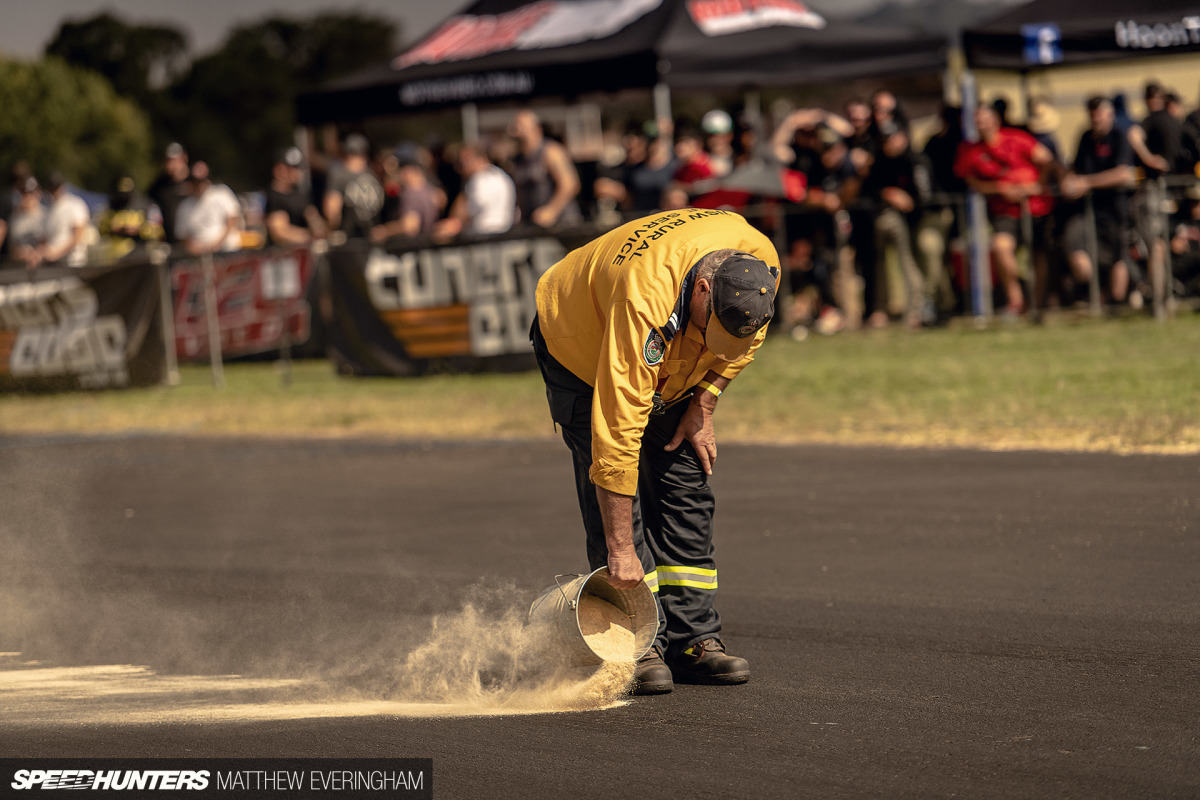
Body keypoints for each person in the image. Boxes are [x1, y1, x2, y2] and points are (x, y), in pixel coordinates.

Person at [531, 208, 779, 695]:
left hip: (679, 349)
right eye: (717, 330)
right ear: (704, 291)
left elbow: (748, 338)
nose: (723, 344)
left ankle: (694, 639)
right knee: (618, 503)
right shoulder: (644, 298)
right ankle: (639, 642)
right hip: (581, 340)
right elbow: (617, 433)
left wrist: (705, 402)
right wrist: (620, 550)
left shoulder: (760, 266)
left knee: (685, 484)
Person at [954, 104, 1056, 316]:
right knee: (1000, 246)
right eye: (977, 119)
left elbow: (1045, 158)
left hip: (1036, 206)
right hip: (1004, 210)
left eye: (984, 118)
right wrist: (1000, 188)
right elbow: (973, 183)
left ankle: (1037, 302)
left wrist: (1038, 183)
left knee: (1038, 252)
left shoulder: (1016, 138)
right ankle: (1016, 301)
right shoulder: (971, 151)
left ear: (995, 120)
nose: (980, 123)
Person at [1060, 97, 1137, 305]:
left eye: (1099, 113)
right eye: (1092, 114)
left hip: (1115, 209)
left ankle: (1117, 303)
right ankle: (1096, 294)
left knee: (1117, 258)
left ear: (1109, 114)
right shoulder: (1086, 138)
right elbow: (1076, 168)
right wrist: (1069, 180)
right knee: (1075, 247)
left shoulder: (1120, 137)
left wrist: (1087, 183)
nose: (1095, 118)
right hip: (1087, 210)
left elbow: (1124, 174)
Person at [509, 109, 581, 228]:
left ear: (537, 128)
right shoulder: (517, 159)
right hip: (532, 224)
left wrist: (551, 211)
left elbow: (570, 185)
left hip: (562, 223)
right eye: (515, 125)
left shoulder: (551, 151)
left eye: (521, 125)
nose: (517, 129)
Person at [434, 143, 515, 240]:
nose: (460, 168)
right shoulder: (501, 175)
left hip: (483, 240)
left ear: (479, 158)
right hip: (505, 236)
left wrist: (451, 225)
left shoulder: (478, 180)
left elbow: (467, 213)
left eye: (464, 161)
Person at [371, 146, 442, 242]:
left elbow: (410, 226)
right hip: (427, 245)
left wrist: (384, 231)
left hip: (412, 248)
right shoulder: (430, 189)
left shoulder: (411, 193)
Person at [323, 133, 384, 240]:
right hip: (373, 239)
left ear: (345, 153)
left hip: (348, 242)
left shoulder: (339, 176)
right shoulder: (373, 175)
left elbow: (332, 212)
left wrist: (328, 232)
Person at [176, 161, 243, 255]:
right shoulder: (185, 206)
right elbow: (182, 235)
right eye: (197, 182)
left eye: (202, 181)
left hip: (227, 251)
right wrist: (193, 247)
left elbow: (233, 219)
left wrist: (218, 244)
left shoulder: (221, 194)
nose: (200, 185)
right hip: (200, 256)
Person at [265, 147, 324, 247]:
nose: (298, 173)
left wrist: (320, 230)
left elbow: (314, 218)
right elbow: (280, 233)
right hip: (285, 257)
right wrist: (309, 237)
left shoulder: (301, 194)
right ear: (280, 169)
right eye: (293, 168)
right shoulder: (274, 197)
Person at [97, 174, 163, 262]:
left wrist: (139, 230)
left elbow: (158, 231)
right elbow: (101, 229)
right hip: (114, 259)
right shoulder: (110, 206)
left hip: (140, 258)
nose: (123, 197)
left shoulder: (146, 206)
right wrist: (113, 230)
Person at [41, 171, 96, 267]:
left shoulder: (75, 204)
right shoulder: (48, 209)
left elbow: (77, 236)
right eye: (51, 187)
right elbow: (46, 238)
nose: (54, 191)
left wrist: (56, 254)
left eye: (56, 186)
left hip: (72, 262)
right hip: (52, 264)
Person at [148, 142, 191, 247]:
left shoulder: (194, 182)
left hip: (192, 242)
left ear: (184, 158)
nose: (170, 165)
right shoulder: (159, 186)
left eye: (174, 160)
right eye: (167, 161)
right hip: (168, 244)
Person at [8, 176, 46, 269]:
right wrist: (21, 253)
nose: (25, 197)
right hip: (20, 270)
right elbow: (12, 250)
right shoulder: (14, 218)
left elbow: (53, 244)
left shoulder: (47, 215)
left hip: (46, 269)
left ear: (38, 194)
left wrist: (36, 254)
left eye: (29, 193)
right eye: (22, 193)